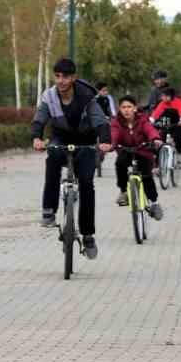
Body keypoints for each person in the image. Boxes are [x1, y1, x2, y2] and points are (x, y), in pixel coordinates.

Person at [30, 57, 112, 259]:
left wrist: (105, 141)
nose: (61, 81)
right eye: (57, 76)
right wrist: (36, 138)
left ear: (73, 77)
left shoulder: (87, 98)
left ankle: (88, 235)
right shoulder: (49, 97)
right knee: (52, 161)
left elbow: (100, 122)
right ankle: (48, 209)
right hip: (61, 138)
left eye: (65, 77)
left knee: (86, 184)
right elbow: (39, 119)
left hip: (85, 142)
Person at [110, 95, 164, 218]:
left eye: (129, 107)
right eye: (123, 107)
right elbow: (114, 133)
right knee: (119, 164)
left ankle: (154, 202)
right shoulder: (116, 121)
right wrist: (111, 144)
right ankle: (123, 191)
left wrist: (155, 139)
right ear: (120, 109)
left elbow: (150, 130)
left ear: (135, 108)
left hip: (143, 151)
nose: (126, 110)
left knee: (146, 177)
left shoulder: (142, 119)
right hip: (125, 151)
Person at [150, 85, 181, 157]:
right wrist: (151, 121)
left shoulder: (178, 102)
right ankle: (159, 158)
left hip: (178, 123)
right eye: (162, 96)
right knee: (161, 137)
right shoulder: (162, 103)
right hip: (167, 123)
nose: (162, 98)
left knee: (177, 137)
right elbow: (156, 113)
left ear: (170, 96)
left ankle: (179, 153)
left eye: (164, 96)